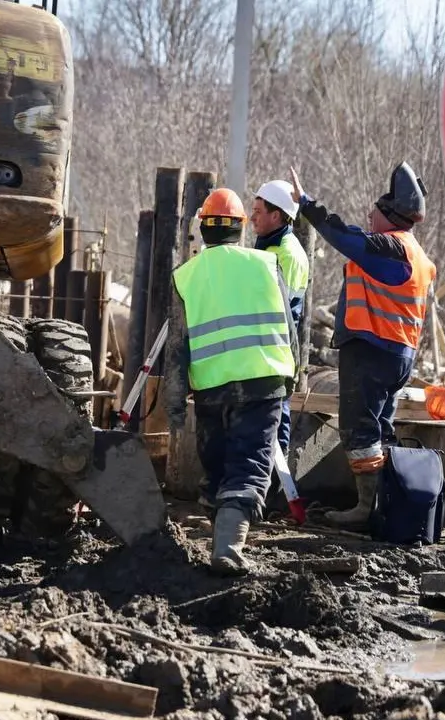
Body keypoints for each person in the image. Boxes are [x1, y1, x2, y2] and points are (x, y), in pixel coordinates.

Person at [287, 162, 437, 530]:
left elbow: (345, 237)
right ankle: (386, 505)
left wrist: (308, 204)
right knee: (380, 428)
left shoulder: (390, 249)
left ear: (389, 215)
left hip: (372, 349)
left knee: (359, 428)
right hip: (400, 355)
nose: (369, 216)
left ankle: (365, 510)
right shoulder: (417, 255)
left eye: (374, 211)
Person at [165, 187, 298, 576]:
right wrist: (291, 378)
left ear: (202, 229)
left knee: (219, 461)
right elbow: (290, 330)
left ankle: (226, 543)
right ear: (241, 227)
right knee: (248, 461)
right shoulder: (266, 264)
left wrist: (174, 407)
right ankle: (228, 544)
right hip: (264, 380)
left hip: (212, 387)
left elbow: (177, 348)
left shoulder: (185, 276)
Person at [251, 180, 311, 455]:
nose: (252, 217)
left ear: (276, 215)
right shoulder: (268, 246)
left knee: (276, 418)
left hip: (275, 349)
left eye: (258, 211)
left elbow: (276, 308)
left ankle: (278, 482)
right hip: (261, 347)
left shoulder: (287, 254)